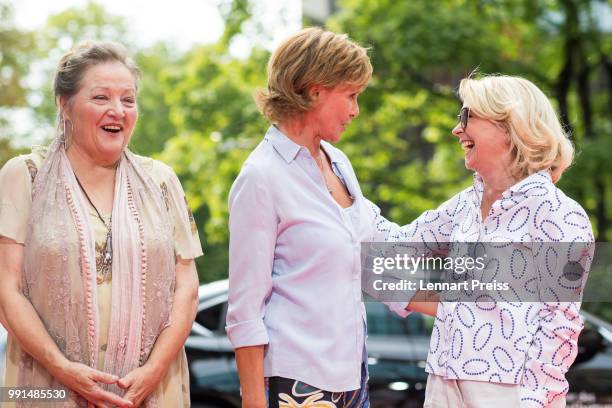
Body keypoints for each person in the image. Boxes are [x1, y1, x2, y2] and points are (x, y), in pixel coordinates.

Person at [0, 41, 203, 407]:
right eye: (100, 98)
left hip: (152, 390)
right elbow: (6, 288)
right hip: (45, 386)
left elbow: (186, 285)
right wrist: (62, 368)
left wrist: (154, 370)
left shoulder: (161, 181)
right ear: (65, 104)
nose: (118, 110)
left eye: (128, 100)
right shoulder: (24, 176)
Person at [373, 74, 594, 407]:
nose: (456, 129)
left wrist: (531, 403)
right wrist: (339, 194)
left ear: (509, 125)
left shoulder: (558, 213)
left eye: (466, 116)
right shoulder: (465, 203)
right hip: (441, 384)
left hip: (507, 394)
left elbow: (559, 326)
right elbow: (394, 246)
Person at [226, 27, 416, 408]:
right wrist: (253, 402)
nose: (355, 110)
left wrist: (501, 285)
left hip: (353, 376)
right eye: (351, 95)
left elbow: (377, 262)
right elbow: (245, 310)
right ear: (315, 89)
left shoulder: (338, 162)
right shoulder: (261, 177)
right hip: (298, 383)